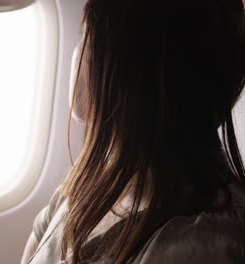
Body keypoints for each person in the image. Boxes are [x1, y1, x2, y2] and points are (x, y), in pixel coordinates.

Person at [21, 0, 245, 263]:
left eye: (86, 35)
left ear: (132, 71)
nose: (76, 52)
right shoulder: (89, 182)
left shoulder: (197, 245)